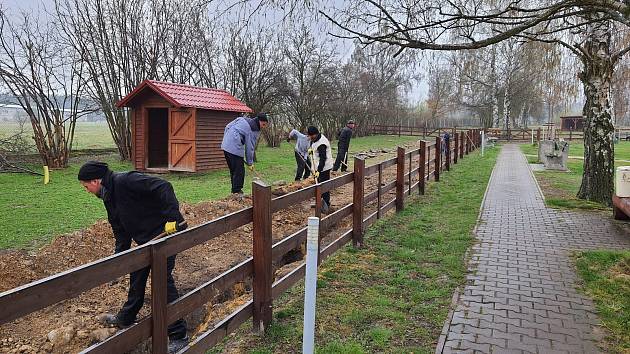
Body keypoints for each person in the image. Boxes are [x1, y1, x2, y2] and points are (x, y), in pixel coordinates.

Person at [77, 161, 188, 353]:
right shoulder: (108, 197)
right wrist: (120, 261)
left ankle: (179, 335)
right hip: (145, 241)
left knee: (162, 282)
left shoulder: (126, 181)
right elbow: (120, 231)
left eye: (86, 186)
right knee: (137, 275)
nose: (86, 191)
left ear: (96, 181)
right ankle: (127, 317)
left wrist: (173, 218)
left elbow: (164, 186)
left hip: (165, 236)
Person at [221, 113, 268, 195]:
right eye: (263, 124)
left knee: (234, 170)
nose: (263, 127)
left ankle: (234, 192)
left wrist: (227, 139)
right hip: (235, 148)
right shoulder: (254, 130)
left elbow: (227, 127)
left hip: (225, 146)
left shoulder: (241, 119)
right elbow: (250, 147)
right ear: (259, 121)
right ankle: (237, 192)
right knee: (239, 171)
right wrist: (250, 163)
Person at [307, 126, 333, 213]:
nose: (310, 137)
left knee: (324, 186)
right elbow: (313, 144)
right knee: (318, 185)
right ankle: (319, 202)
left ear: (315, 134)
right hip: (317, 166)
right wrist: (311, 150)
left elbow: (323, 159)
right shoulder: (315, 139)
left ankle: (326, 205)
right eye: (309, 136)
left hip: (324, 168)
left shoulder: (322, 144)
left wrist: (319, 171)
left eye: (311, 136)